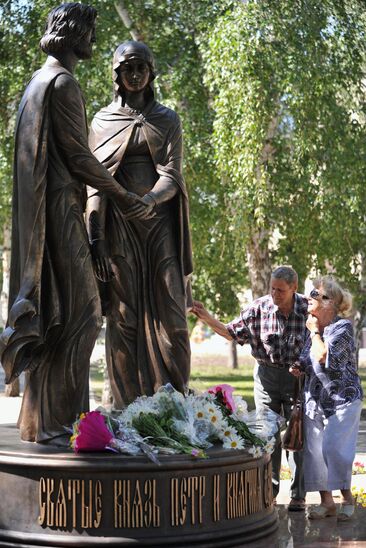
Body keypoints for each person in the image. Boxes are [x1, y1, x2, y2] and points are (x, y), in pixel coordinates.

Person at [0, 3, 144, 444]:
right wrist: (123, 194)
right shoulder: (63, 84)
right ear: (72, 33)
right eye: (88, 32)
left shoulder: (36, 83)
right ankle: (57, 424)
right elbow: (81, 157)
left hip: (47, 215)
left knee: (58, 316)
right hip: (61, 213)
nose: (93, 42)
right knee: (82, 314)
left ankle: (39, 422)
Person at [86, 40, 192, 408]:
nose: (134, 75)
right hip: (118, 230)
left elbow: (173, 175)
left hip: (159, 225)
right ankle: (128, 409)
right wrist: (95, 238)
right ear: (117, 75)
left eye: (140, 68)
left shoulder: (167, 119)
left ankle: (175, 408)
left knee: (173, 319)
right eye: (127, 68)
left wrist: (147, 200)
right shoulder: (102, 121)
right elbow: (95, 182)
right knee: (123, 318)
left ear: (151, 73)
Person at [191, 265, 308, 510]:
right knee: (268, 435)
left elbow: (323, 333)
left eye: (281, 290)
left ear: (294, 288)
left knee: (296, 436)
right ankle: (271, 491)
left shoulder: (308, 309)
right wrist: (207, 317)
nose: (275, 294)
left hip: (297, 380)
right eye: (272, 289)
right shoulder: (259, 308)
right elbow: (230, 332)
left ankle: (298, 495)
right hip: (266, 377)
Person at [290, 276, 363, 520]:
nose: (309, 298)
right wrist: (298, 366)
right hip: (315, 399)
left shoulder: (342, 328)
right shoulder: (313, 327)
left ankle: (347, 499)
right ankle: (326, 502)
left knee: (335, 450)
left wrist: (313, 334)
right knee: (314, 452)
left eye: (315, 294)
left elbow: (322, 356)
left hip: (343, 399)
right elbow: (306, 356)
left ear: (329, 303)